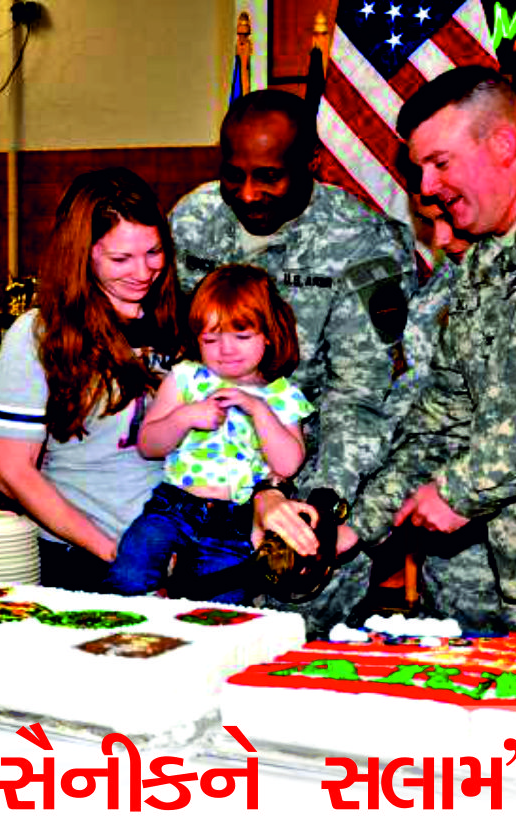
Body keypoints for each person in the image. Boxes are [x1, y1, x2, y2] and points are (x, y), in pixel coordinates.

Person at [341, 65, 516, 636]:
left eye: (440, 163)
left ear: (502, 145)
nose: (427, 188)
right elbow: (446, 414)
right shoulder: (484, 263)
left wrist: (457, 492)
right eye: (421, 169)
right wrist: (360, 524)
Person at [170, 88, 417, 560]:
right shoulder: (193, 221)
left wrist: (322, 503)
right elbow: (172, 346)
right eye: (233, 175)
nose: (247, 194)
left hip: (313, 466)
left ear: (312, 164)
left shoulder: (362, 243)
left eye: (269, 177)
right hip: (202, 466)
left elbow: (358, 395)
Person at [0, 167, 184, 592]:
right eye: (120, 259)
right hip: (85, 560)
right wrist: (116, 553)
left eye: (154, 252)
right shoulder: (38, 334)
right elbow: (8, 470)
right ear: (82, 254)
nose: (143, 271)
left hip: (180, 556)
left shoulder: (181, 323)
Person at [107, 264, 314, 603]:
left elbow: (289, 465)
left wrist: (259, 410)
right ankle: (143, 622)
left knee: (222, 600)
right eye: (210, 339)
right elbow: (148, 445)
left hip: (236, 517)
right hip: (174, 504)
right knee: (130, 571)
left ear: (268, 334)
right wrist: (183, 417)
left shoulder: (282, 396)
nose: (226, 349)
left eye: (241, 337)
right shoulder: (186, 379)